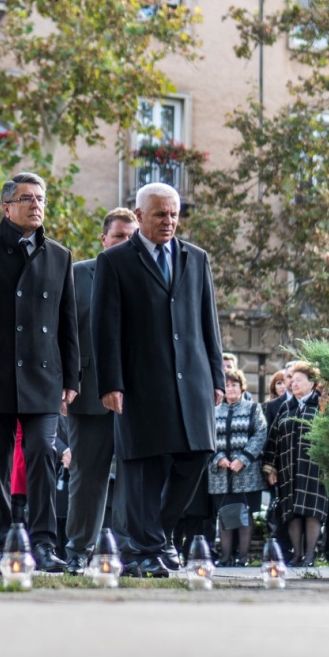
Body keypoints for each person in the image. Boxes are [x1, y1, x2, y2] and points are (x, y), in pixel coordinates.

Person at [93, 182, 225, 577]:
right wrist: (109, 383)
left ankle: (156, 537)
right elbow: (105, 328)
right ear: (139, 216)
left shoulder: (196, 258)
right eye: (160, 214)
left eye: (174, 214)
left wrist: (217, 376)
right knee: (144, 467)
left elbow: (209, 323)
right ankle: (147, 550)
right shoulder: (115, 261)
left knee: (198, 453)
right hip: (139, 382)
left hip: (194, 382)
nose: (169, 221)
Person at [0, 172, 79, 574]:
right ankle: (2, 544)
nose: (36, 205)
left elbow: (67, 323)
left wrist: (71, 379)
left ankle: (42, 544)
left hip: (44, 379)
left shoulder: (59, 255)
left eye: (40, 198)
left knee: (42, 452)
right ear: (7, 207)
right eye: (26, 198)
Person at [64, 207, 138, 573]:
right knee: (87, 478)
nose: (126, 242)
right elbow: (64, 334)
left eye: (131, 236)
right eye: (120, 236)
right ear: (104, 239)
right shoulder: (77, 275)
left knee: (136, 478)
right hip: (88, 393)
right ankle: (78, 549)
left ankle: (132, 550)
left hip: (138, 396)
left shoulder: (148, 274)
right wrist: (64, 384)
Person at [264, 361, 326, 565]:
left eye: (299, 380)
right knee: (291, 512)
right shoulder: (286, 406)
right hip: (288, 468)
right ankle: (297, 554)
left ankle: (309, 555)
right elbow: (273, 438)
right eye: (293, 380)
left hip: (313, 468)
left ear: (312, 383)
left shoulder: (322, 405)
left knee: (311, 511)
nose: (294, 384)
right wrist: (271, 467)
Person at [209, 369, 267, 566]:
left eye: (234, 384)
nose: (230, 388)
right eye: (226, 385)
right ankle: (225, 557)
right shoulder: (213, 410)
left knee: (244, 514)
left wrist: (243, 459)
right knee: (224, 514)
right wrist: (218, 458)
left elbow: (260, 434)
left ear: (242, 387)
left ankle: (242, 557)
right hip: (220, 474)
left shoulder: (253, 408)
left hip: (246, 473)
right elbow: (207, 436)